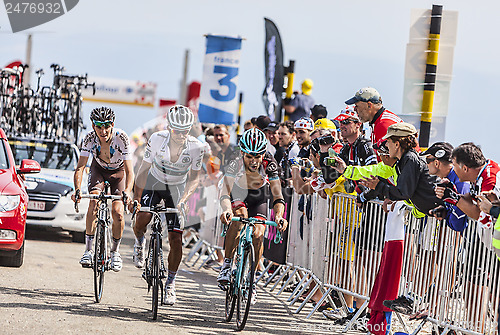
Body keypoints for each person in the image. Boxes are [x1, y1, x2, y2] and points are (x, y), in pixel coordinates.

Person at [131, 105, 205, 306]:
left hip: (178, 188)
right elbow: (143, 170)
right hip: (155, 182)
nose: (181, 135)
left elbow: (194, 179)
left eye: (185, 131)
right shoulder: (157, 139)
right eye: (177, 130)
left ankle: (171, 283)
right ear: (169, 127)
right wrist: (136, 200)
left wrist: (183, 201)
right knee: (143, 218)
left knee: (176, 238)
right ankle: (139, 243)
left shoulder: (197, 147)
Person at [217, 128, 288, 305]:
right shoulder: (234, 161)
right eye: (249, 156)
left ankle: (251, 279)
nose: (254, 161)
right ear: (242, 152)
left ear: (263, 153)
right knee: (239, 217)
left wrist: (279, 216)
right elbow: (225, 193)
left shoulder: (270, 164)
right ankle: (226, 265)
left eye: (257, 156)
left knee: (258, 234)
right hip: (238, 194)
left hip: (259, 197)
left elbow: (278, 197)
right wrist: (226, 210)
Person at [72, 107, 134, 272]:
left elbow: (129, 171)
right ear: (93, 126)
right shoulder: (89, 138)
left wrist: (127, 191)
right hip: (98, 170)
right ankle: (88, 250)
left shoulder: (122, 138)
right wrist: (77, 190)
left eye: (106, 125)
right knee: (94, 202)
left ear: (112, 124)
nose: (103, 130)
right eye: (99, 126)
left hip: (118, 173)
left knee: (118, 213)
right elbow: (80, 168)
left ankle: (115, 252)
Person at [420, 142, 469, 231]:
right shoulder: (452, 178)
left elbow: (458, 223)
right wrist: (445, 212)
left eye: (427, 161)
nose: (426, 165)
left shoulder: (460, 180)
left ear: (436, 163)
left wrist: (448, 216)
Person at [345, 87, 402, 158]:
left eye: (357, 106)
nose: (355, 109)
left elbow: (389, 162)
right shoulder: (378, 121)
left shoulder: (383, 124)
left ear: (369, 105)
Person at [277, 121, 299, 187]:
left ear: (293, 135)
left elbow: (297, 177)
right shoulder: (289, 149)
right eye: (279, 134)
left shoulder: (294, 150)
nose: (280, 137)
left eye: (283, 134)